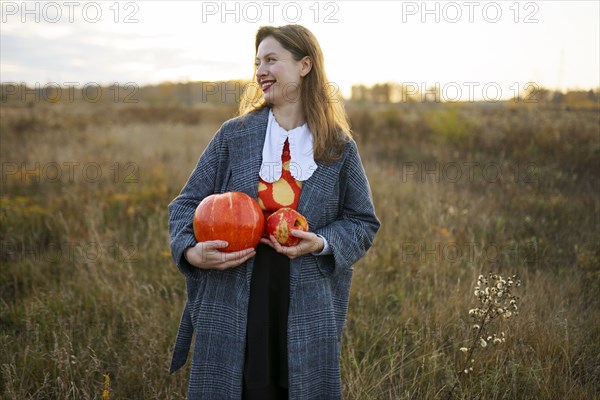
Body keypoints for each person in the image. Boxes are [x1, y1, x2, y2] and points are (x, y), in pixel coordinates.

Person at [168, 24, 380, 400]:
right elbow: (186, 204)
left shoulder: (337, 146)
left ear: (304, 66)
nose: (260, 71)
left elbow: (362, 221)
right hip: (232, 293)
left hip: (305, 300)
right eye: (257, 62)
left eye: (271, 60)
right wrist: (190, 250)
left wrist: (322, 242)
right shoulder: (234, 135)